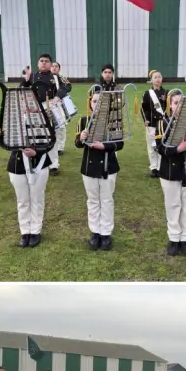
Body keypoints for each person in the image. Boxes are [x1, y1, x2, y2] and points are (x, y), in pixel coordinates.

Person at [156, 89, 186, 257]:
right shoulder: (163, 122)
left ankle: (185, 238)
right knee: (173, 205)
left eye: (182, 103)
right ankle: (174, 238)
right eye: (176, 103)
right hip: (169, 171)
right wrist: (178, 149)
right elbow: (160, 148)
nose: (179, 106)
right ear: (170, 105)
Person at [0, 123, 53, 248]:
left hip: (39, 163)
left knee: (37, 199)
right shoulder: (12, 117)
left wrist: (36, 152)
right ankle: (25, 232)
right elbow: (8, 143)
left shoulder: (42, 117)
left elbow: (51, 141)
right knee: (22, 201)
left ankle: (35, 231)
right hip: (17, 164)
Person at [76, 90, 124, 251]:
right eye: (94, 101)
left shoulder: (114, 121)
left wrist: (104, 146)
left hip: (108, 167)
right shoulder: (84, 120)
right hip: (89, 166)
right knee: (93, 200)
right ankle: (95, 232)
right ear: (90, 102)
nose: (97, 104)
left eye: (101, 101)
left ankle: (106, 233)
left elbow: (120, 144)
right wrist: (81, 138)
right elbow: (77, 143)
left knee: (107, 200)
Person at [21, 54, 69, 175]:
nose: (43, 63)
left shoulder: (55, 77)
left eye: (46, 61)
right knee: (35, 136)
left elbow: (64, 88)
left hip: (50, 108)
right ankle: (37, 161)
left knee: (52, 136)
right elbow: (21, 89)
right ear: (38, 64)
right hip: (33, 109)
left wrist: (57, 97)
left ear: (50, 64)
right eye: (41, 61)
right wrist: (25, 80)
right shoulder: (32, 76)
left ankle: (53, 165)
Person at [141, 70, 168, 178]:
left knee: (162, 145)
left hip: (164, 124)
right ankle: (154, 168)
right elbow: (144, 109)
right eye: (155, 77)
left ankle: (161, 167)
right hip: (151, 123)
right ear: (151, 80)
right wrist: (145, 120)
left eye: (159, 76)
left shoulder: (167, 93)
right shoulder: (147, 94)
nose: (157, 79)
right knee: (152, 146)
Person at [49, 61, 72, 159]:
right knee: (49, 126)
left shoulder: (62, 78)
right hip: (47, 103)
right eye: (52, 66)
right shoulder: (46, 78)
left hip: (59, 104)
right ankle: (49, 145)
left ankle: (60, 147)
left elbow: (68, 87)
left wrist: (59, 94)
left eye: (56, 66)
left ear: (59, 68)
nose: (54, 68)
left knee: (61, 126)